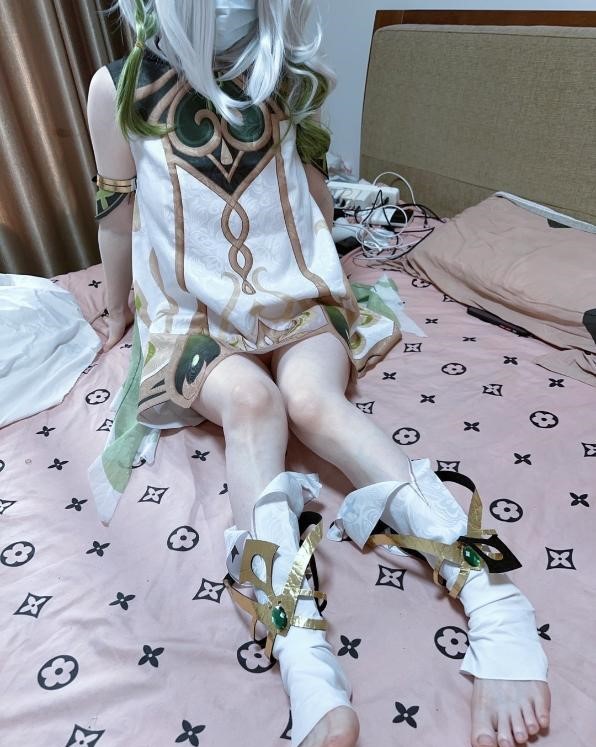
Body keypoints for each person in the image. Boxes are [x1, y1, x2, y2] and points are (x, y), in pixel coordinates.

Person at [87, 3, 550, 747]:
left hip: (296, 290)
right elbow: (118, 213)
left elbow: (313, 195)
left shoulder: (286, 73)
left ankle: (493, 591)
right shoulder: (119, 85)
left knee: (313, 401)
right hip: (191, 316)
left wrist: (327, 257)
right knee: (251, 403)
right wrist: (117, 312)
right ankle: (301, 647)